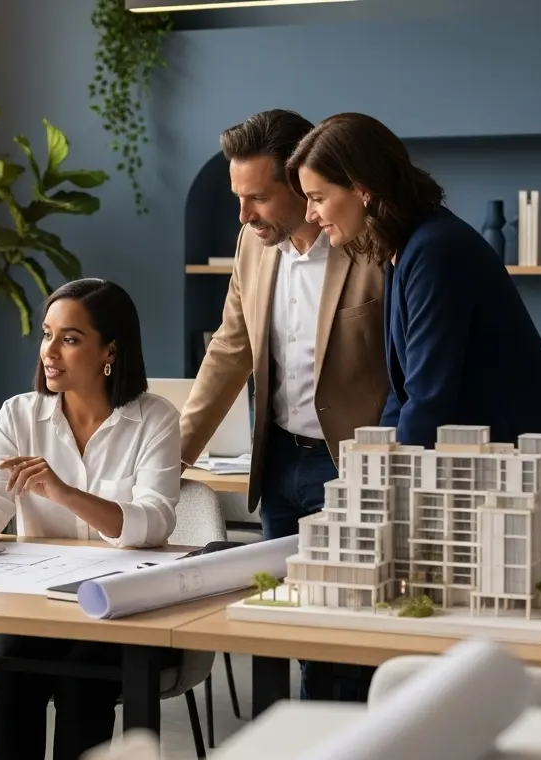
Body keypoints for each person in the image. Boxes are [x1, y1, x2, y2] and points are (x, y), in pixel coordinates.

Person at [286, 112, 541, 568]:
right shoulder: (404, 247)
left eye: (318, 197)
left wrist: (378, 499)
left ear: (361, 187)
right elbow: (404, 394)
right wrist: (371, 469)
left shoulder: (435, 250)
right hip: (500, 473)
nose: (310, 215)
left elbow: (429, 397)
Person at [0, 278, 181, 760]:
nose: (50, 351)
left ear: (111, 349)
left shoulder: (155, 419)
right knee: (11, 674)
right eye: (47, 335)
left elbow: (154, 523)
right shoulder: (17, 415)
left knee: (83, 682)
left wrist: (65, 494)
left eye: (70, 338)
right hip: (37, 602)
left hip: (118, 605)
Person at [177, 109, 389, 701]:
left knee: (347, 637)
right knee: (285, 629)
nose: (244, 216)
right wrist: (173, 455)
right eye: (238, 198)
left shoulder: (370, 246)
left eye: (260, 198)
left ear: (302, 181)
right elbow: (230, 348)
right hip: (278, 466)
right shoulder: (253, 243)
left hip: (350, 470)